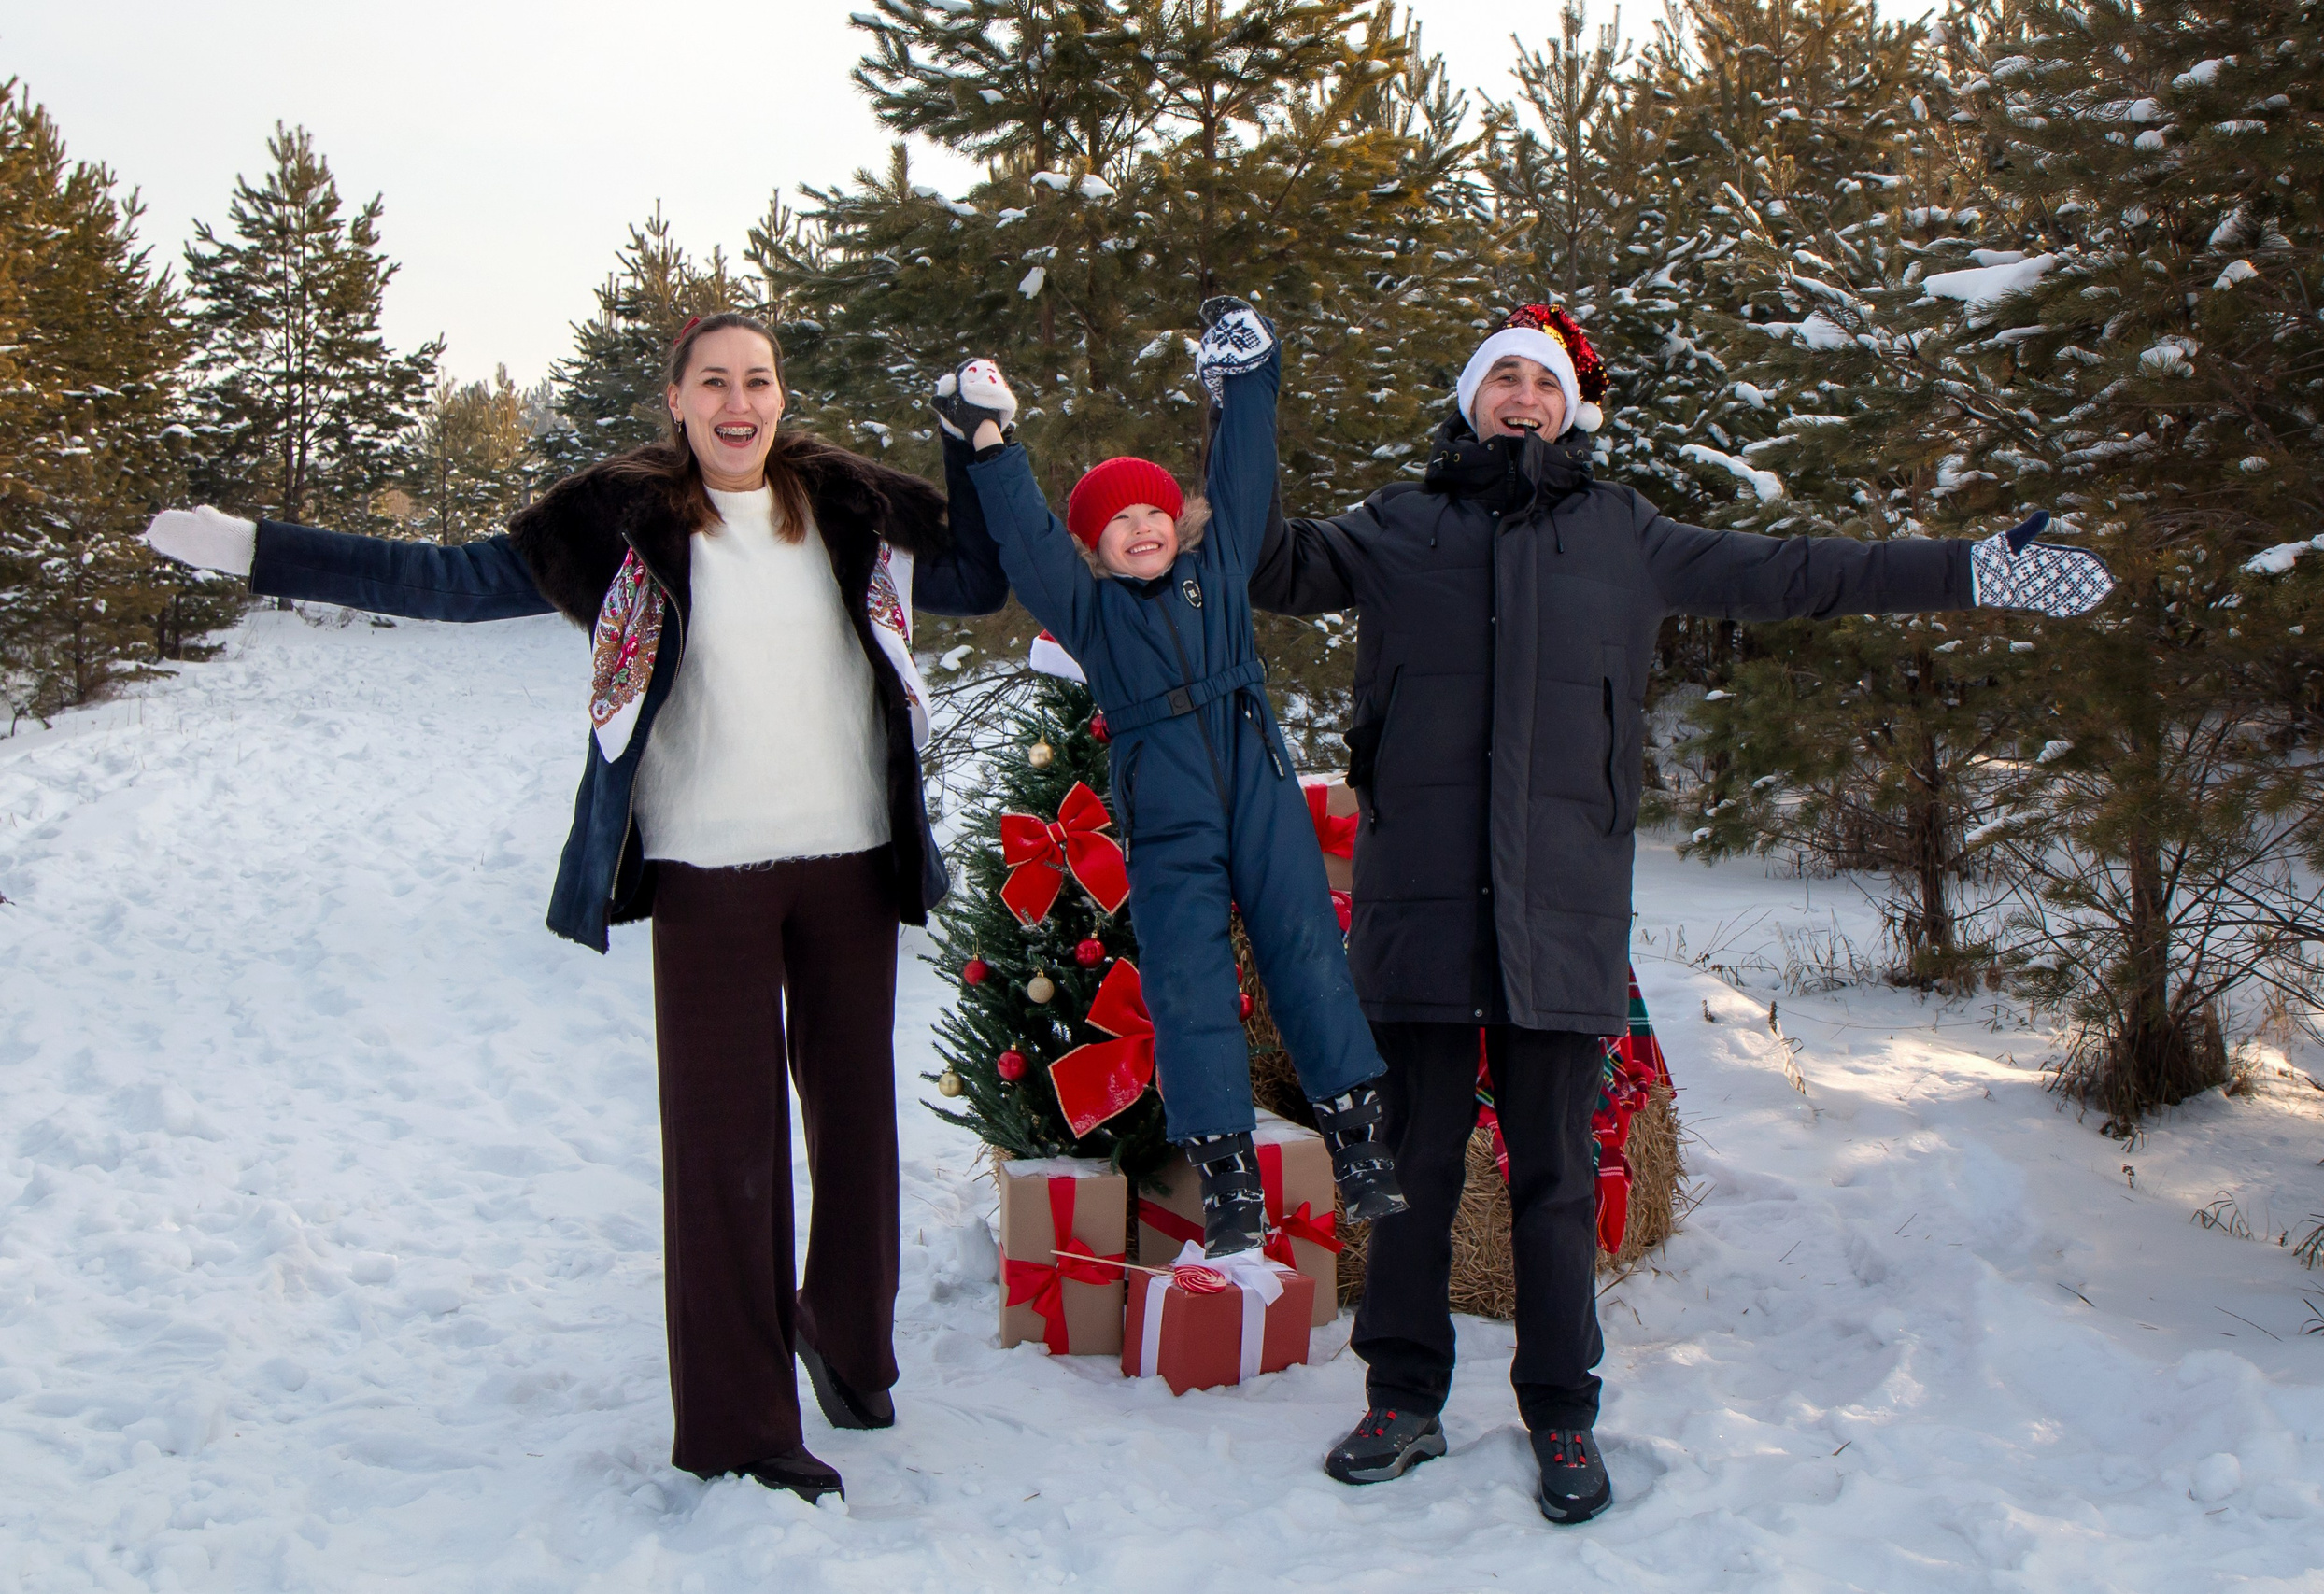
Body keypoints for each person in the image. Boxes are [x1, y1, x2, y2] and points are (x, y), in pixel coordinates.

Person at [1248, 303, 2114, 1524]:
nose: (1520, 397)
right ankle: (1404, 1396)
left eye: (1540, 382)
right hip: (1422, 903)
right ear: (1467, 398)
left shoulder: (1624, 535)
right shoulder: (1398, 527)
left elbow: (1805, 570)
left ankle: (1561, 1412)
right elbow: (1266, 559)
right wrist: (1238, 418)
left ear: (1570, 406)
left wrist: (1972, 567)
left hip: (1563, 901)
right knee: (1412, 1168)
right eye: (1499, 379)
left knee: (1555, 1172)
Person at [140, 312, 1010, 1504]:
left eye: (756, 379)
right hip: (708, 871)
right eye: (713, 382)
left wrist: (976, 444)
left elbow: (979, 572)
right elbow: (447, 582)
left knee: (857, 1129)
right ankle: (740, 1428)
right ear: (676, 400)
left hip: (853, 862)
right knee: (725, 1157)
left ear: (781, 394)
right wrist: (263, 551)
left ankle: (849, 1347)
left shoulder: (850, 506)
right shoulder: (618, 521)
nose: (736, 401)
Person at [930, 299, 1408, 1254]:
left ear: (1176, 521)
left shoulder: (1217, 567)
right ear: (1095, 548)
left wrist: (1249, 380)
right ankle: (1226, 1175)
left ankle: (1358, 1145)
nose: (1141, 527)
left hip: (1254, 774)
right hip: (1166, 805)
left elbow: (1242, 475)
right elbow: (1024, 541)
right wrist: (990, 449)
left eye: (1153, 510)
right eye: (1117, 523)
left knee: (1304, 948)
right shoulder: (1091, 614)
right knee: (1187, 981)